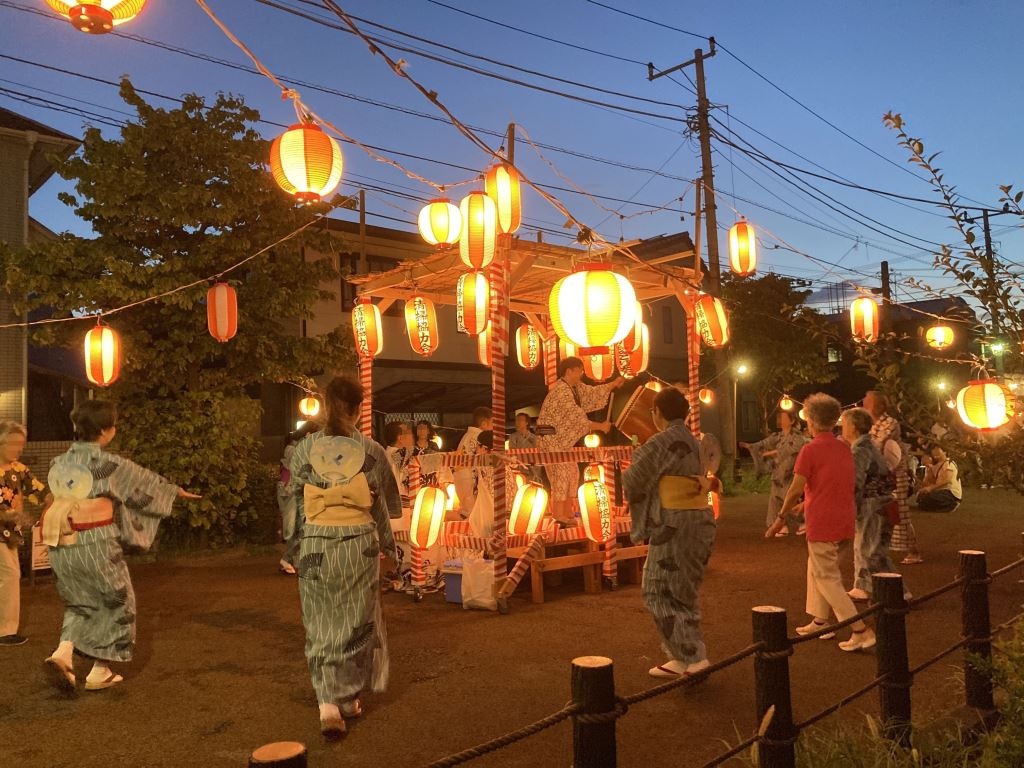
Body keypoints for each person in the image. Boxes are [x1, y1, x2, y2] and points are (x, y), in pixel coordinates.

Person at [42, 400, 201, 692]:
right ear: (105, 431)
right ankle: (100, 670)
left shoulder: (58, 462)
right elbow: (145, 485)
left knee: (80, 600)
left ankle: (62, 654)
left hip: (60, 539)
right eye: (113, 425)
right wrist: (175, 492)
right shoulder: (110, 465)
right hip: (94, 540)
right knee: (118, 602)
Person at [287, 376, 402, 738]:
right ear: (357, 408)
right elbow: (383, 504)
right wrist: (390, 548)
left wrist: (292, 546)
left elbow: (292, 502)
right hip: (358, 544)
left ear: (324, 405)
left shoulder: (303, 450)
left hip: (317, 542)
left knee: (320, 620)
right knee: (357, 622)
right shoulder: (370, 450)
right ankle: (348, 697)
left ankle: (327, 703)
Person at [767, 393, 876, 652]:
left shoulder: (810, 449)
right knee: (817, 569)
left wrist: (780, 518)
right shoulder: (843, 447)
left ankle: (860, 630)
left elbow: (795, 487)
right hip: (844, 520)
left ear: (811, 422)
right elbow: (836, 484)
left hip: (823, 523)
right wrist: (804, 504)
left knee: (827, 577)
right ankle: (820, 620)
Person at [623, 388, 717, 678]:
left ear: (657, 413)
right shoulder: (695, 440)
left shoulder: (662, 441)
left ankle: (692, 657)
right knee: (682, 590)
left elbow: (632, 481)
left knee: (657, 590)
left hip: (674, 524)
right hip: (699, 519)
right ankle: (681, 655)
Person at [537, 357, 624, 525]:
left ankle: (568, 513)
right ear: (570, 371)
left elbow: (591, 394)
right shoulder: (561, 391)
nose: (582, 374)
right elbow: (576, 418)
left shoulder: (574, 388)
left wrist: (612, 384)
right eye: (580, 370)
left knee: (572, 471)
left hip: (560, 441)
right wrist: (600, 426)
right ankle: (559, 515)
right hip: (550, 439)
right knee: (561, 474)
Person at [840, 408, 900, 602]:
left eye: (846, 423)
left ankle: (881, 590)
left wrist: (849, 507)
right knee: (874, 549)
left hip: (872, 503)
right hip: (880, 502)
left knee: (869, 549)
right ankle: (887, 590)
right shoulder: (867, 446)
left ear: (854, 427)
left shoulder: (860, 449)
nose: (843, 427)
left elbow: (855, 481)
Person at [0, 421, 48, 647]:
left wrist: (60, 499)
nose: (19, 449)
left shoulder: (19, 470)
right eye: (15, 444)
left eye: (22, 444)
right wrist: (20, 517)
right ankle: (5, 631)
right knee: (9, 575)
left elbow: (40, 492)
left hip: (10, 534)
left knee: (8, 576)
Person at [864, 391, 920, 565]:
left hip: (894, 473)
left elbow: (877, 445)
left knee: (899, 512)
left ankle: (914, 550)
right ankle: (876, 549)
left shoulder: (890, 422)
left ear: (880, 406)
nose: (865, 402)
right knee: (877, 512)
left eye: (869, 400)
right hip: (877, 473)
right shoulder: (869, 424)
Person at [741, 410, 809, 537]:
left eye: (784, 418)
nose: (781, 420)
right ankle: (781, 526)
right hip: (778, 471)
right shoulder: (777, 436)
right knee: (775, 500)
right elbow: (764, 443)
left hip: (791, 472)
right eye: (780, 418)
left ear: (792, 421)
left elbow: (789, 450)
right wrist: (751, 446)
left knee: (790, 500)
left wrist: (771, 453)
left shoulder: (798, 437)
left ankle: (803, 523)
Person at [453, 407, 492, 518]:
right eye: (492, 422)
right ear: (484, 424)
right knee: (475, 514)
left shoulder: (466, 436)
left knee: (468, 512)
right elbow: (485, 460)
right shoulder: (480, 437)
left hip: (460, 477)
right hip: (471, 479)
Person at [915, 444, 962, 513]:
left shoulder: (948, 463)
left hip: (950, 493)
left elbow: (946, 480)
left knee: (929, 497)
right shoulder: (933, 466)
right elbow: (927, 483)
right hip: (939, 491)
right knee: (922, 497)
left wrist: (930, 488)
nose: (935, 453)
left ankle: (951, 505)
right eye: (933, 451)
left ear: (945, 452)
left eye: (937, 450)